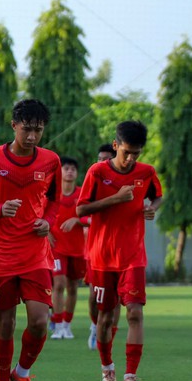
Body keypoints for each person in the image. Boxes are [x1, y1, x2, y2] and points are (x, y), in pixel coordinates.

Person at [0, 99, 60, 381]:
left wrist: (48, 221)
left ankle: (22, 374)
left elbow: (56, 201)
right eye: (27, 129)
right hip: (0, 255)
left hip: (36, 254)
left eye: (38, 130)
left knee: (39, 321)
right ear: (14, 126)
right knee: (4, 324)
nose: (32, 136)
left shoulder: (50, 161)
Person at [76, 120, 163, 381]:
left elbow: (157, 196)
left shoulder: (147, 173)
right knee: (105, 317)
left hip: (133, 257)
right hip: (102, 257)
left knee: (135, 313)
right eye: (126, 152)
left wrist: (151, 207)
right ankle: (107, 370)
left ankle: (130, 376)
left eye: (136, 153)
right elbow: (81, 210)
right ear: (115, 146)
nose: (131, 158)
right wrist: (115, 198)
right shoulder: (98, 172)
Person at [49, 156, 86, 341]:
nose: (70, 171)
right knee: (59, 284)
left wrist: (77, 220)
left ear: (77, 173)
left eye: (73, 168)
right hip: (57, 248)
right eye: (66, 168)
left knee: (72, 287)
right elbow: (39, 213)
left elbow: (92, 217)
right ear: (60, 172)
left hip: (78, 248)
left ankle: (67, 325)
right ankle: (56, 325)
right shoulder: (53, 194)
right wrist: (47, 231)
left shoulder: (82, 194)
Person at [86, 143, 118, 350]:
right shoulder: (93, 181)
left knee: (116, 299)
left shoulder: (122, 184)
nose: (101, 162)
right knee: (93, 296)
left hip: (120, 251)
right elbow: (80, 209)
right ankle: (95, 325)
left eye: (106, 158)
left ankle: (107, 338)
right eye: (99, 158)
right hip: (96, 249)